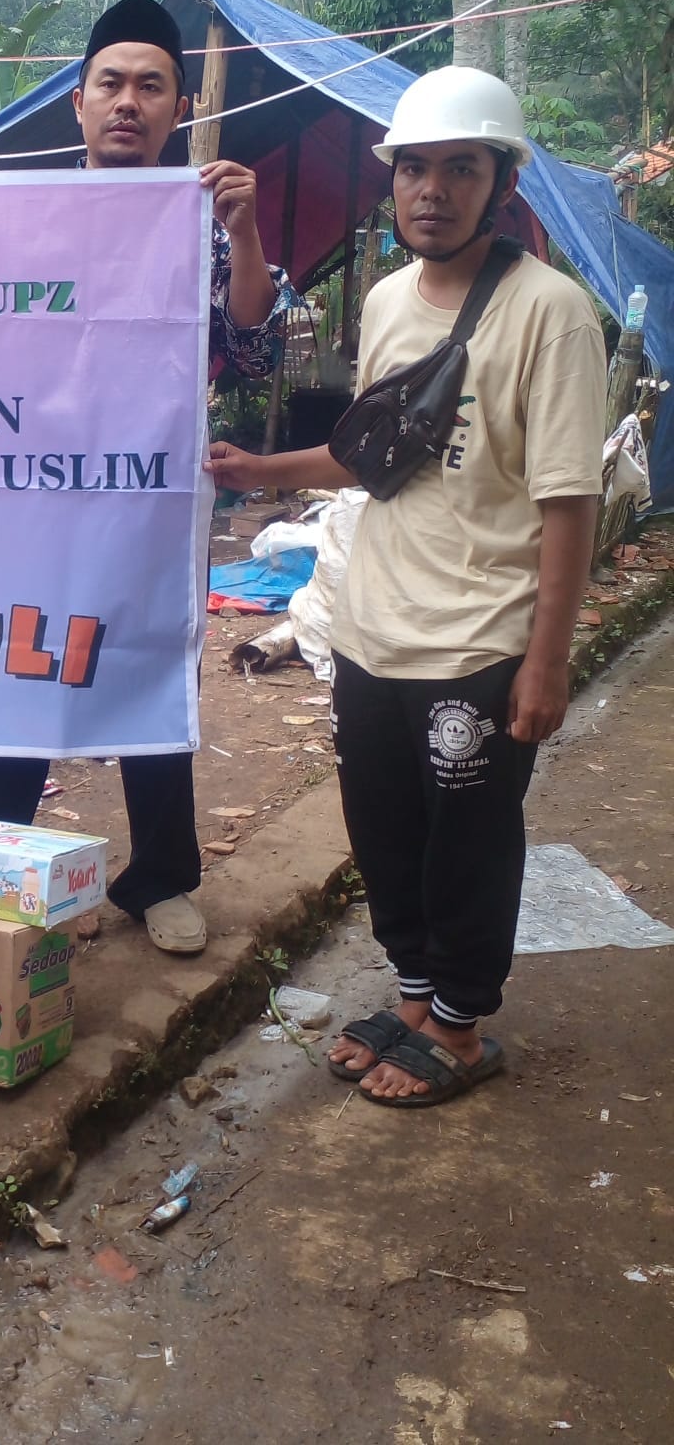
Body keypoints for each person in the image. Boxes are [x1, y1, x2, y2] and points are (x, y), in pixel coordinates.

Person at [207, 66, 605, 1107]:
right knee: (382, 825)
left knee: (466, 840)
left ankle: (461, 1026)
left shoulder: (549, 314)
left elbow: (567, 501)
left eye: (458, 169)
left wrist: (545, 661)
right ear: (391, 182)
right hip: (371, 626)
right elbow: (371, 456)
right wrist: (262, 473)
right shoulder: (385, 301)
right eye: (413, 168)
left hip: (480, 637)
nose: (431, 190)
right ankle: (415, 992)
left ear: (499, 180)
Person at [0, 0, 294, 956]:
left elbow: (255, 351)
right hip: (22, 495)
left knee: (146, 669)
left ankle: (161, 879)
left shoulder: (203, 220)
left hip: (147, 498)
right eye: (111, 84)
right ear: (78, 102)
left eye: (150, 86)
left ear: (177, 109)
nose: (128, 102)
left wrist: (245, 233)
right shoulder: (8, 213)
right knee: (10, 659)